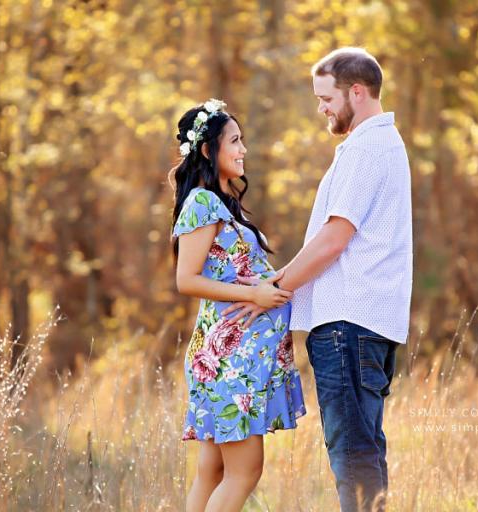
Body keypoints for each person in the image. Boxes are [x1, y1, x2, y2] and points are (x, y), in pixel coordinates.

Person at [224, 48, 413, 512]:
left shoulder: (367, 148)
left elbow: (334, 239)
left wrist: (273, 289)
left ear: (356, 91)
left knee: (352, 453)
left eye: (326, 98)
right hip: (363, 326)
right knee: (364, 449)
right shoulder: (378, 144)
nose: (321, 109)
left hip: (349, 327)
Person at [170, 99, 307, 512]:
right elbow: (186, 280)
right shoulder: (201, 203)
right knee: (244, 472)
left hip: (237, 354)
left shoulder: (222, 204)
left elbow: (237, 271)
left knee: (212, 472)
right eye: (235, 140)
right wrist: (254, 295)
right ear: (209, 150)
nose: (243, 149)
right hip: (230, 357)